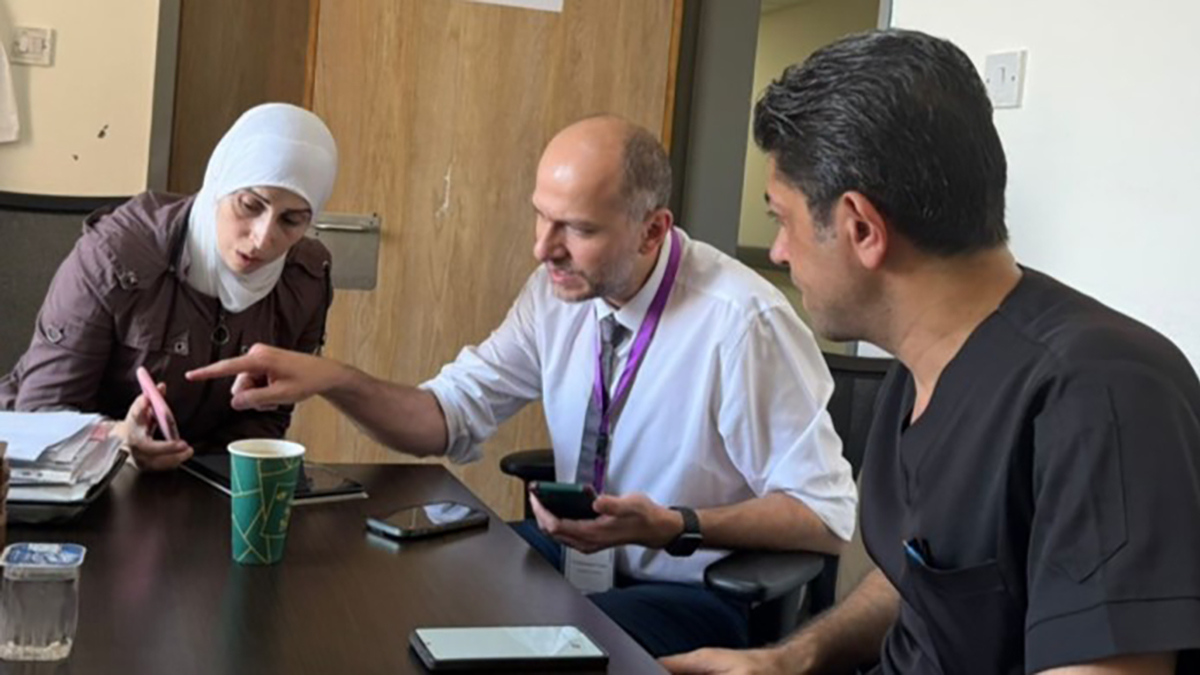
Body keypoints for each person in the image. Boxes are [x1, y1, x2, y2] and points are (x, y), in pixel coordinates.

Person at [187, 115, 858, 657]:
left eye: (578, 229)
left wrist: (676, 525)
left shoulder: (742, 324)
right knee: (392, 585)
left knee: (509, 654)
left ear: (653, 230)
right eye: (542, 216)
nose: (544, 248)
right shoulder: (556, 292)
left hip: (695, 591)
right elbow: (444, 417)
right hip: (576, 561)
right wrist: (331, 379)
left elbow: (828, 518)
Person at [662, 29, 1200, 675]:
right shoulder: (919, 368)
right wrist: (790, 659)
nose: (777, 251)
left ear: (861, 227)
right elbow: (928, 577)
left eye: (782, 218)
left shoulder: (1101, 391)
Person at [0, 103, 339, 472]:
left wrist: (207, 479)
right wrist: (117, 440)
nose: (262, 238)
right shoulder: (117, 253)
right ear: (219, 184)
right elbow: (42, 414)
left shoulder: (303, 278)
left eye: (292, 220)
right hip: (67, 480)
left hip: (195, 488)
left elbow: (264, 420)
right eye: (249, 205)